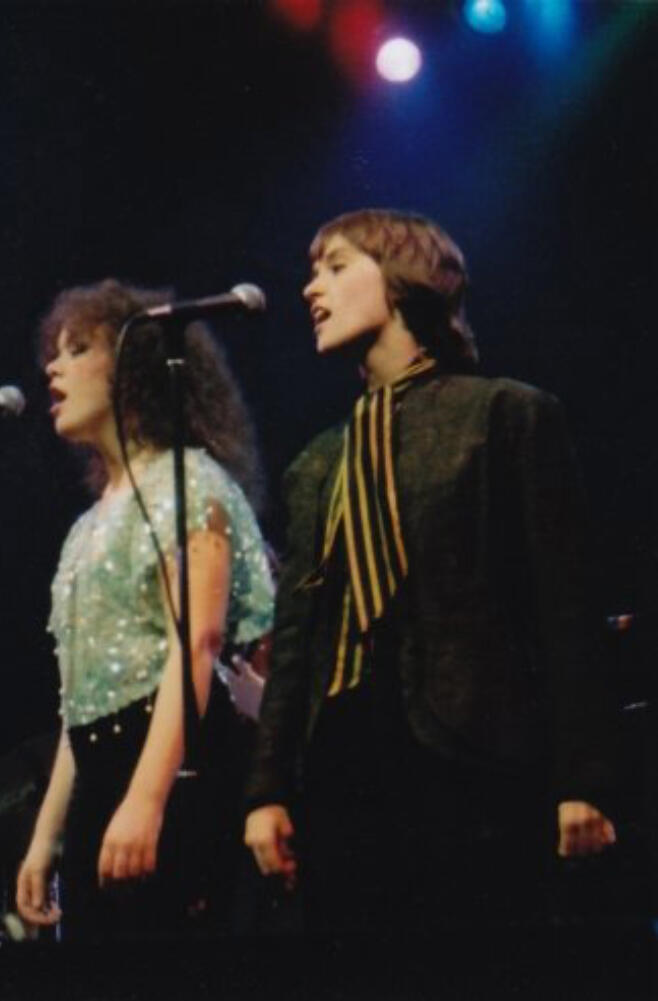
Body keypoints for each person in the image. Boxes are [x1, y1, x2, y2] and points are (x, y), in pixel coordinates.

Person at [243, 209, 618, 934]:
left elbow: (565, 607)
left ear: (404, 278)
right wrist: (268, 789)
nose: (310, 288)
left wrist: (585, 777)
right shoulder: (318, 463)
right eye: (313, 270)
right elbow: (294, 643)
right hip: (344, 767)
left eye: (337, 265)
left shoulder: (504, 415)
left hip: (476, 754)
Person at [15, 279, 275, 941]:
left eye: (78, 349)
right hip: (104, 777)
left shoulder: (187, 483)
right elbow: (81, 700)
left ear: (131, 368)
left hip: (174, 765)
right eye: (55, 351)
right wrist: (47, 837)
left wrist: (147, 797)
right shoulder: (83, 530)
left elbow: (200, 641)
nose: (54, 366)